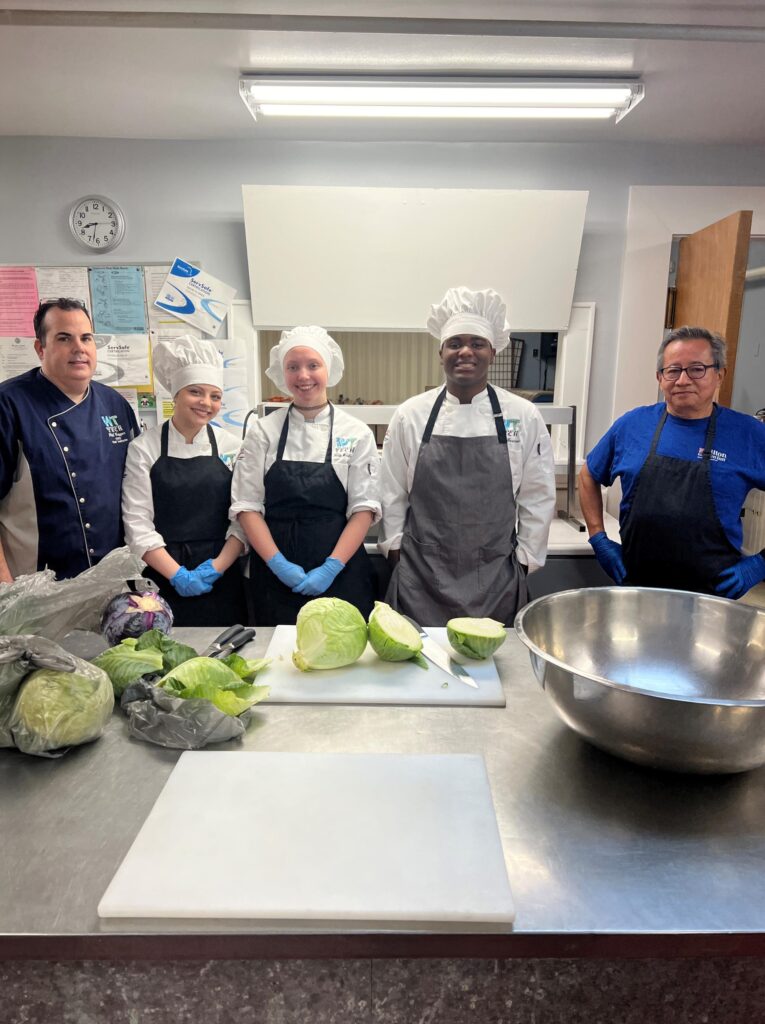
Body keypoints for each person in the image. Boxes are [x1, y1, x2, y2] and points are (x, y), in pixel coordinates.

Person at [379, 286, 556, 626]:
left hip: (496, 577)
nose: (465, 352)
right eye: (455, 343)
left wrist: (524, 560)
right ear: (440, 351)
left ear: (493, 351)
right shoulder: (410, 415)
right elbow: (392, 492)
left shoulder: (523, 415)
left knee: (494, 669)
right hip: (421, 577)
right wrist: (397, 553)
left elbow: (538, 494)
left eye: (476, 344)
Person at [579, 325, 765, 598]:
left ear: (720, 374)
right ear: (660, 377)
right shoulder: (632, 425)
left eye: (697, 369)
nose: (683, 380)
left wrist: (761, 563)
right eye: (673, 370)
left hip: (713, 598)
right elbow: (588, 475)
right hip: (636, 589)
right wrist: (598, 538)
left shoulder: (749, 434)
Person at [230, 325, 380, 625]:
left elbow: (363, 509)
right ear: (282, 374)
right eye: (293, 367)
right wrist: (278, 564)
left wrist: (331, 567)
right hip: (274, 573)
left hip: (340, 571)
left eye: (313, 365)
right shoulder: (263, 431)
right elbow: (247, 506)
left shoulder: (355, 433)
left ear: (329, 369)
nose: (303, 376)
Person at [0, 297, 139, 582]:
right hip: (35, 588)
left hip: (111, 583)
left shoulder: (115, 405)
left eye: (86, 338)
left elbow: (136, 494)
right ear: (41, 348)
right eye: (64, 338)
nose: (79, 348)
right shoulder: (9, 405)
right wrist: (6, 591)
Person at [122, 335, 247, 626]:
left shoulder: (233, 447)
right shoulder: (144, 448)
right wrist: (176, 574)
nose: (206, 403)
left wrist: (217, 568)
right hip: (160, 576)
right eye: (195, 392)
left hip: (221, 575)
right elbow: (137, 523)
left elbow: (242, 519)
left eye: (215, 396)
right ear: (175, 394)